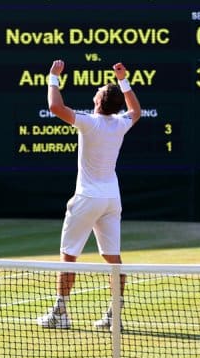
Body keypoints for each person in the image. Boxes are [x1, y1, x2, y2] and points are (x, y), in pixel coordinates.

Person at [37, 60, 141, 330]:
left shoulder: (89, 122)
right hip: (111, 199)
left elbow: (55, 107)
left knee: (68, 255)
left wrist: (53, 77)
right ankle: (114, 316)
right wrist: (123, 80)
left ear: (98, 101)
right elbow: (136, 110)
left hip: (87, 198)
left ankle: (60, 313)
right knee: (113, 258)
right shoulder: (120, 123)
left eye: (96, 92)